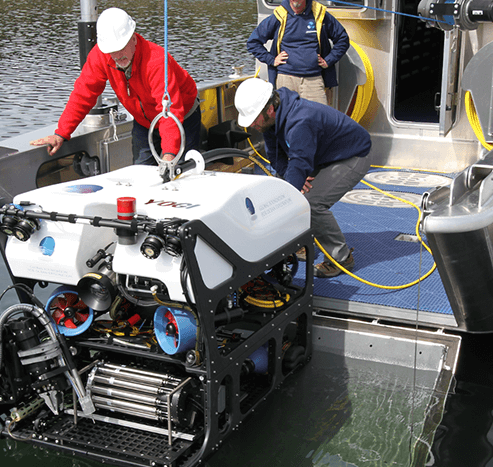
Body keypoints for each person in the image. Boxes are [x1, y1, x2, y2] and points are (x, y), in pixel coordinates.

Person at [235, 78, 371, 278]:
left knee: (311, 203)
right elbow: (275, 156)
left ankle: (341, 259)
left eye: (254, 118)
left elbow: (299, 163)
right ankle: (300, 242)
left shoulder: (301, 120)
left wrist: (291, 191)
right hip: (322, 155)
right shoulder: (269, 121)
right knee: (288, 187)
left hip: (353, 155)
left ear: (270, 109)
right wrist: (291, 181)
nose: (253, 124)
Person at [31, 8, 200, 165]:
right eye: (112, 50)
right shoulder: (101, 56)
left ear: (133, 37)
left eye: (121, 47)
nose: (118, 55)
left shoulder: (155, 61)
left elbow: (169, 112)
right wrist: (61, 133)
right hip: (144, 122)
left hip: (181, 118)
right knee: (142, 173)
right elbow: (83, 93)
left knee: (179, 174)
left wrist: (169, 155)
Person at [246, 0, 350, 106]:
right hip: (285, 79)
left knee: (319, 119)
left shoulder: (319, 14)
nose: (295, 2)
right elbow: (253, 42)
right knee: (286, 120)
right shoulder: (279, 16)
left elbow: (343, 39)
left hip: (313, 79)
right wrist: (271, 60)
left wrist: (328, 60)